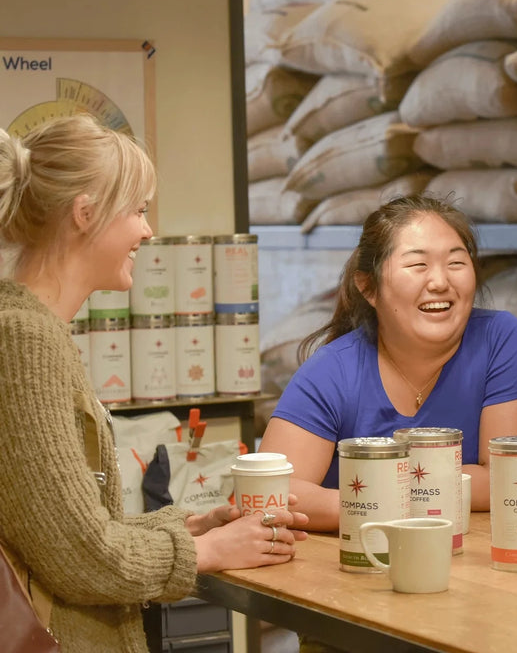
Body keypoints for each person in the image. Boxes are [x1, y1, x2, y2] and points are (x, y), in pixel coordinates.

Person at [0, 114, 308, 653]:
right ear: (85, 214)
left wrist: (193, 528)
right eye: (138, 211)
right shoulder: (25, 343)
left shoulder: (34, 332)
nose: (146, 230)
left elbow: (59, 532)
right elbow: (82, 558)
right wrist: (208, 554)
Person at [259, 193, 517, 531]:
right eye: (417, 265)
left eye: (456, 263)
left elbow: (513, 478)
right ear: (368, 287)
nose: (440, 282)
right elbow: (273, 495)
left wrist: (371, 494)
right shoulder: (332, 371)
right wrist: (405, 502)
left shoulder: (498, 339)